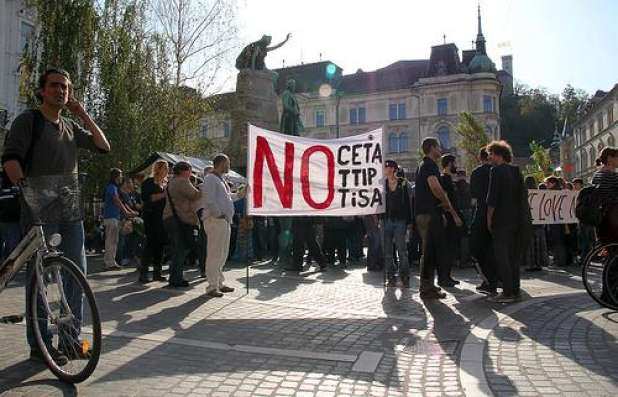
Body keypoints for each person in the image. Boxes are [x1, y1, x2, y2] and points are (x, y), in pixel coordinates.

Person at [2, 68, 110, 364]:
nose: (61, 91)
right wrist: (28, 194)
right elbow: (10, 160)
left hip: (69, 209)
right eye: (54, 86)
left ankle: (70, 339)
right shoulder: (29, 121)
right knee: (40, 276)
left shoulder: (71, 127)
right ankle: (41, 344)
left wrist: (83, 112)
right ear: (42, 90)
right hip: (38, 208)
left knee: (77, 274)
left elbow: (103, 146)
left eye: (65, 87)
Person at [415, 138, 462, 299]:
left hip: (427, 213)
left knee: (431, 251)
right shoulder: (429, 165)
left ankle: (429, 286)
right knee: (429, 252)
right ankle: (426, 288)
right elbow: (435, 186)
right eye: (438, 146)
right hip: (428, 214)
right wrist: (446, 203)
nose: (440, 149)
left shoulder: (425, 165)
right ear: (432, 148)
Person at [486, 140, 531, 303]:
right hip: (517, 220)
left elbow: (492, 199)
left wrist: (489, 219)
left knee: (502, 257)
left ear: (498, 154)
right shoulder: (516, 170)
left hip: (501, 220)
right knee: (513, 257)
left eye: (490, 154)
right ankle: (516, 290)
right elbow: (523, 197)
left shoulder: (496, 171)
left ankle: (507, 292)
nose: (489, 157)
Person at [202, 154, 246, 297]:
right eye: (227, 163)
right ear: (221, 163)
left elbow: (228, 198)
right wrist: (217, 213)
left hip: (224, 220)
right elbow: (209, 199)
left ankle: (219, 283)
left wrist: (240, 194)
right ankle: (212, 286)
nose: (229, 165)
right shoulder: (210, 178)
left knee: (222, 253)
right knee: (215, 253)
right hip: (216, 220)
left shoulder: (220, 179)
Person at [162, 161, 201, 288]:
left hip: (171, 218)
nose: (191, 173)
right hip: (179, 219)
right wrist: (203, 187)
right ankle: (176, 279)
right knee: (181, 249)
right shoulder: (182, 181)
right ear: (184, 171)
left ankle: (175, 277)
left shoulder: (171, 182)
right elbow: (195, 195)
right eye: (190, 170)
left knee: (178, 249)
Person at [470, 146, 498, 294]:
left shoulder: (477, 173)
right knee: (494, 249)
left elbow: (473, 198)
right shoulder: (498, 171)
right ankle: (498, 279)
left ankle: (488, 281)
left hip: (482, 213)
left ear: (481, 158)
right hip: (499, 214)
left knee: (477, 248)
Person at [383, 160, 414, 287]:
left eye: (389, 167)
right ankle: (391, 274)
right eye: (385, 168)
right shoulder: (382, 184)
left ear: (394, 169)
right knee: (388, 250)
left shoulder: (403, 183)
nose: (386, 170)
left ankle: (404, 274)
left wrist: (409, 221)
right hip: (386, 220)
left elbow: (408, 203)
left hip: (400, 220)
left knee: (402, 249)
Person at [139, 160, 169, 283]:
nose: (167, 170)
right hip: (151, 216)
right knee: (150, 243)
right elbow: (146, 198)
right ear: (158, 169)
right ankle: (144, 273)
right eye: (165, 167)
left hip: (162, 217)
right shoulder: (149, 182)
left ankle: (157, 272)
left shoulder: (165, 183)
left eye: (167, 168)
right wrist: (164, 194)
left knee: (160, 244)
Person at [103, 168, 137, 270]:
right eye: (120, 175)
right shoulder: (112, 187)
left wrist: (128, 212)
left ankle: (111, 262)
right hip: (111, 217)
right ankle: (110, 263)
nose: (121, 177)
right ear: (116, 176)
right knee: (111, 241)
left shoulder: (113, 187)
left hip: (113, 217)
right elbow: (116, 200)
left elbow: (119, 201)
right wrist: (126, 212)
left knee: (113, 241)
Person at [439, 154, 462, 287]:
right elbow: (445, 200)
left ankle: (447, 276)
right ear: (449, 164)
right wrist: (454, 216)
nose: (456, 166)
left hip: (451, 217)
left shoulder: (448, 179)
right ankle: (444, 277)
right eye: (454, 163)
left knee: (451, 247)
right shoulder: (444, 179)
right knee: (447, 248)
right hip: (449, 218)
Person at [591, 147, 618, 244]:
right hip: (613, 219)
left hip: (601, 217)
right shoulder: (613, 176)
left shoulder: (596, 175)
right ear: (610, 158)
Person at [523, 176, 549, 271]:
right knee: (539, 244)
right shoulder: (540, 194)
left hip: (528, 223)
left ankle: (530, 264)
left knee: (530, 245)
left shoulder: (524, 194)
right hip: (539, 223)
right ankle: (539, 264)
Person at [545, 176, 570, 267]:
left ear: (553, 183)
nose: (546, 185)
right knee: (557, 241)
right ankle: (559, 260)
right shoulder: (553, 193)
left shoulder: (559, 193)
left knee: (558, 241)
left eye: (548, 183)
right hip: (555, 220)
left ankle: (559, 261)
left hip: (558, 221)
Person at [573, 177, 595, 264]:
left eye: (576, 184)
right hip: (590, 219)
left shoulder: (583, 192)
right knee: (588, 240)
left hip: (584, 220)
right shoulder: (592, 192)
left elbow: (577, 205)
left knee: (584, 240)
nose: (574, 186)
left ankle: (584, 258)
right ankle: (588, 258)